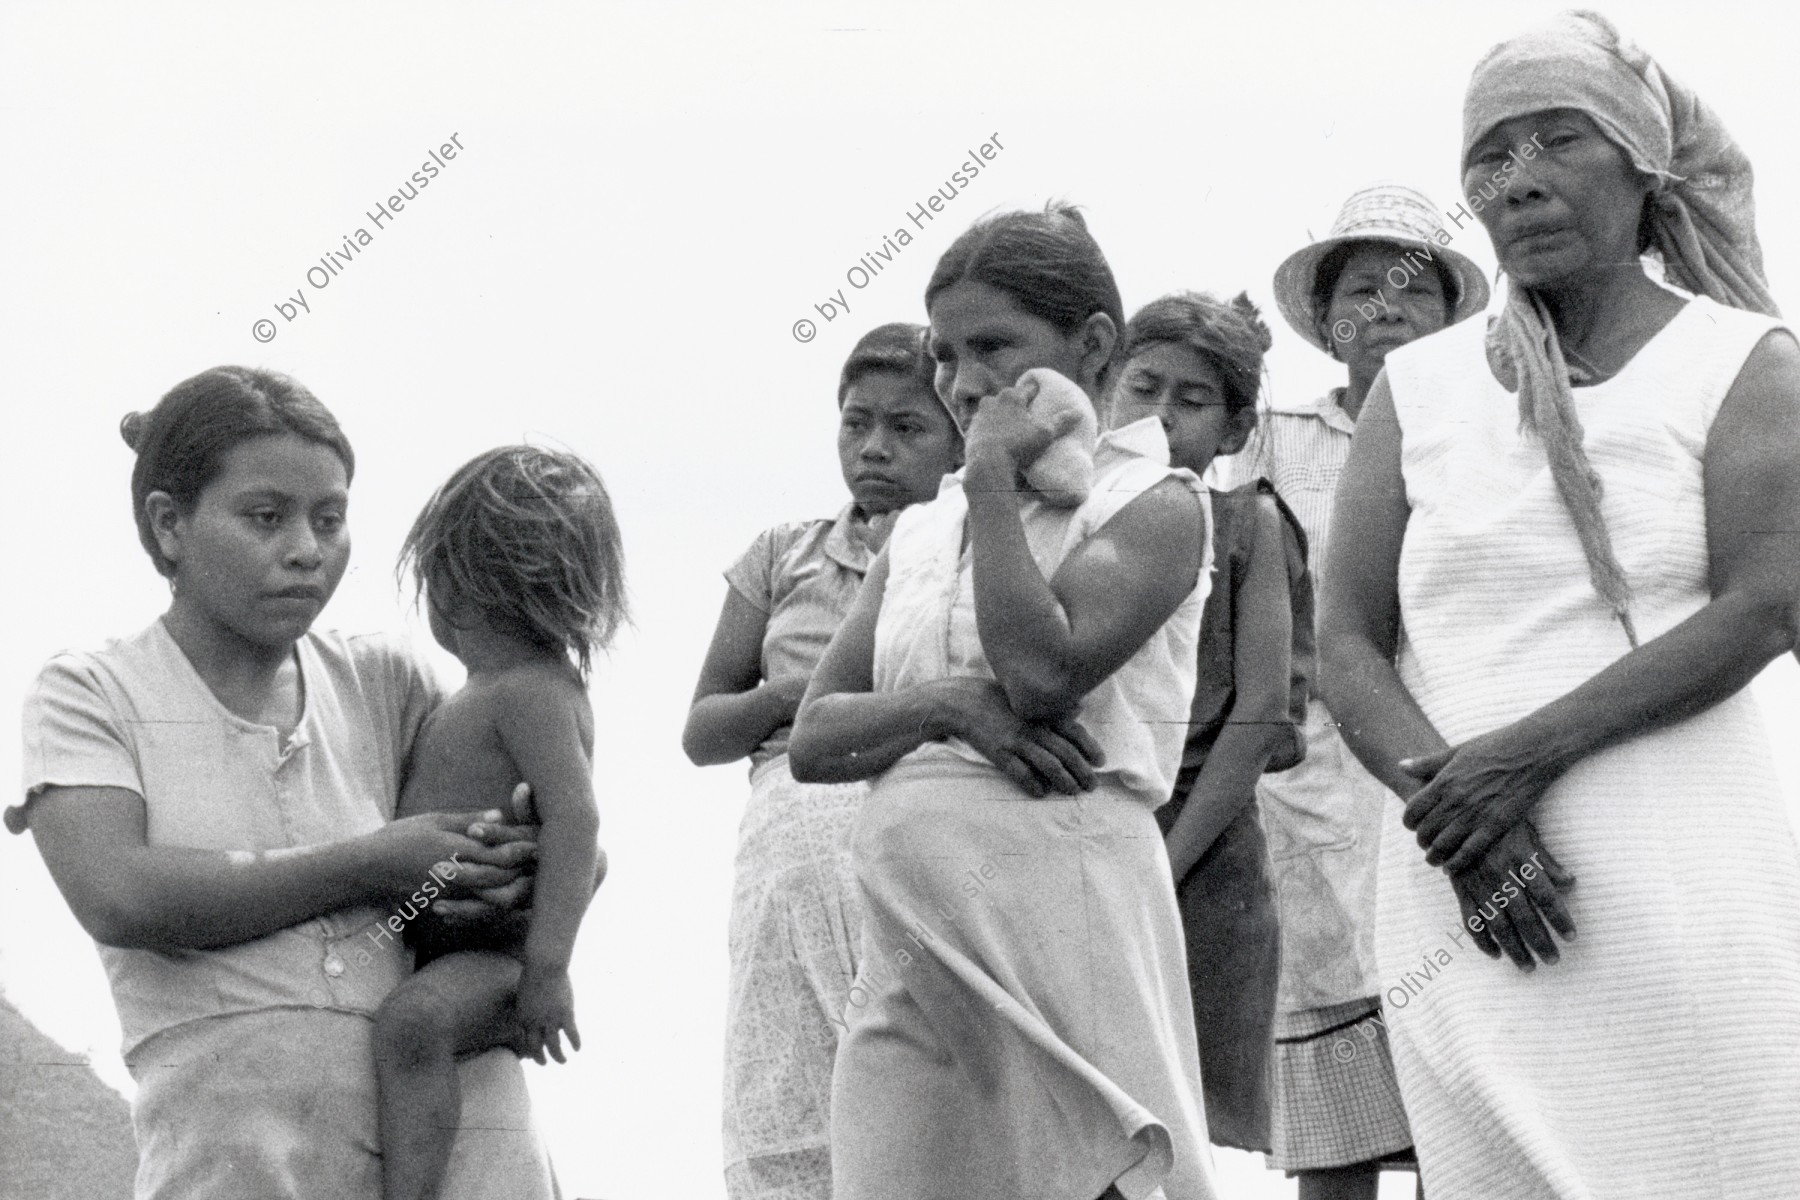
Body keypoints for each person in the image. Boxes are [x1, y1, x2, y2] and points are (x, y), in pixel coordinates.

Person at [1320, 12, 1800, 1197]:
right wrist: (1461, 824)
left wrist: (1513, 768)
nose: (1517, 181)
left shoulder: (1746, 362)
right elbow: (1347, 641)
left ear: (1643, 170)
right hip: (1467, 890)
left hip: (1684, 868)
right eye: (1491, 157)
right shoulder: (1418, 390)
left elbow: (1765, 608)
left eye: (1558, 142)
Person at [7, 367, 558, 1200]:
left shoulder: (386, 678)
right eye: (265, 517)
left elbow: (503, 842)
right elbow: (120, 894)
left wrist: (517, 859)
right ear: (169, 526)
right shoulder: (90, 692)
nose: (306, 548)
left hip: (450, 1144)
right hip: (238, 1152)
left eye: (330, 519)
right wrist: (373, 862)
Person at [790, 205, 1222, 1200]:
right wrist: (947, 706)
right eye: (944, 354)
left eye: (992, 347)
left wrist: (988, 473)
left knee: (1094, 1170)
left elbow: (1040, 674)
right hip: (911, 933)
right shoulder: (918, 534)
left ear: (1094, 346)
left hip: (1058, 905)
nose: (961, 380)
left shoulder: (1153, 506)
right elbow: (814, 736)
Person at [682, 323, 962, 1200]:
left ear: (960, 433)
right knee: (791, 1091)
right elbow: (702, 730)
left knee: (925, 1087)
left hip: (921, 831)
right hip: (791, 851)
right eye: (856, 423)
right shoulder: (783, 553)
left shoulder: (973, 549)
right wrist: (790, 700)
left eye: (908, 427)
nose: (874, 447)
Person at [1247, 183, 1489, 1199]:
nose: (1383, 308)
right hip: (1308, 787)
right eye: (1358, 290)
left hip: (1446, 754)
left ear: (1446, 315)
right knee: (1335, 1122)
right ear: (1325, 319)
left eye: (1409, 290)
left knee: (1466, 1086)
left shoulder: (1480, 426)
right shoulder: (1266, 436)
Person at [375, 445, 625, 1200]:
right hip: (445, 940)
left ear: (462, 585)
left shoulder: (531, 691)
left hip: (497, 957)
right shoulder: (487, 689)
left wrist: (547, 972)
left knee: (411, 1026)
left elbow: (577, 825)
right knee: (406, 1023)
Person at [1111, 291, 1295, 1157]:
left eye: (1191, 401)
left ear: (1232, 430)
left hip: (1206, 855)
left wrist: (1163, 861)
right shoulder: (1075, 520)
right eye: (1143, 388)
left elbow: (1258, 718)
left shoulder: (1248, 524)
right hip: (1088, 838)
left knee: (1185, 1138)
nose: (1161, 416)